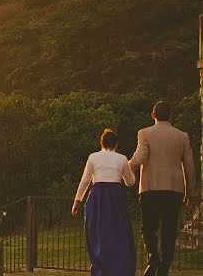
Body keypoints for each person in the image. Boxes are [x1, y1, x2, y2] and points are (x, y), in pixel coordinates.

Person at [129, 100, 199, 276]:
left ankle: (153, 258)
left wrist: (125, 168)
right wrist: (191, 192)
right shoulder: (182, 136)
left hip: (150, 187)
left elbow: (140, 158)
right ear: (171, 115)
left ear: (153, 115)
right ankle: (164, 267)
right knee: (169, 228)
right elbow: (189, 166)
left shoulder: (145, 133)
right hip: (174, 189)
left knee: (148, 227)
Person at [72, 128, 136, 276]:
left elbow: (85, 180)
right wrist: (131, 170)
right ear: (116, 144)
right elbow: (130, 182)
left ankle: (100, 267)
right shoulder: (122, 158)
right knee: (119, 232)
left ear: (101, 142)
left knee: (96, 232)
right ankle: (120, 268)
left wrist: (77, 201)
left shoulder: (93, 157)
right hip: (116, 196)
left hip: (98, 196)